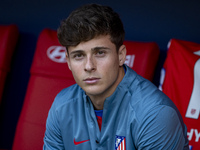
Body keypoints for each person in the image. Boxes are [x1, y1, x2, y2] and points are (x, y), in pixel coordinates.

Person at [43, 3, 189, 150]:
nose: (89, 66)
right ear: (68, 61)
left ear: (121, 55)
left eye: (100, 53)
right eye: (78, 56)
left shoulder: (155, 114)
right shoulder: (61, 106)